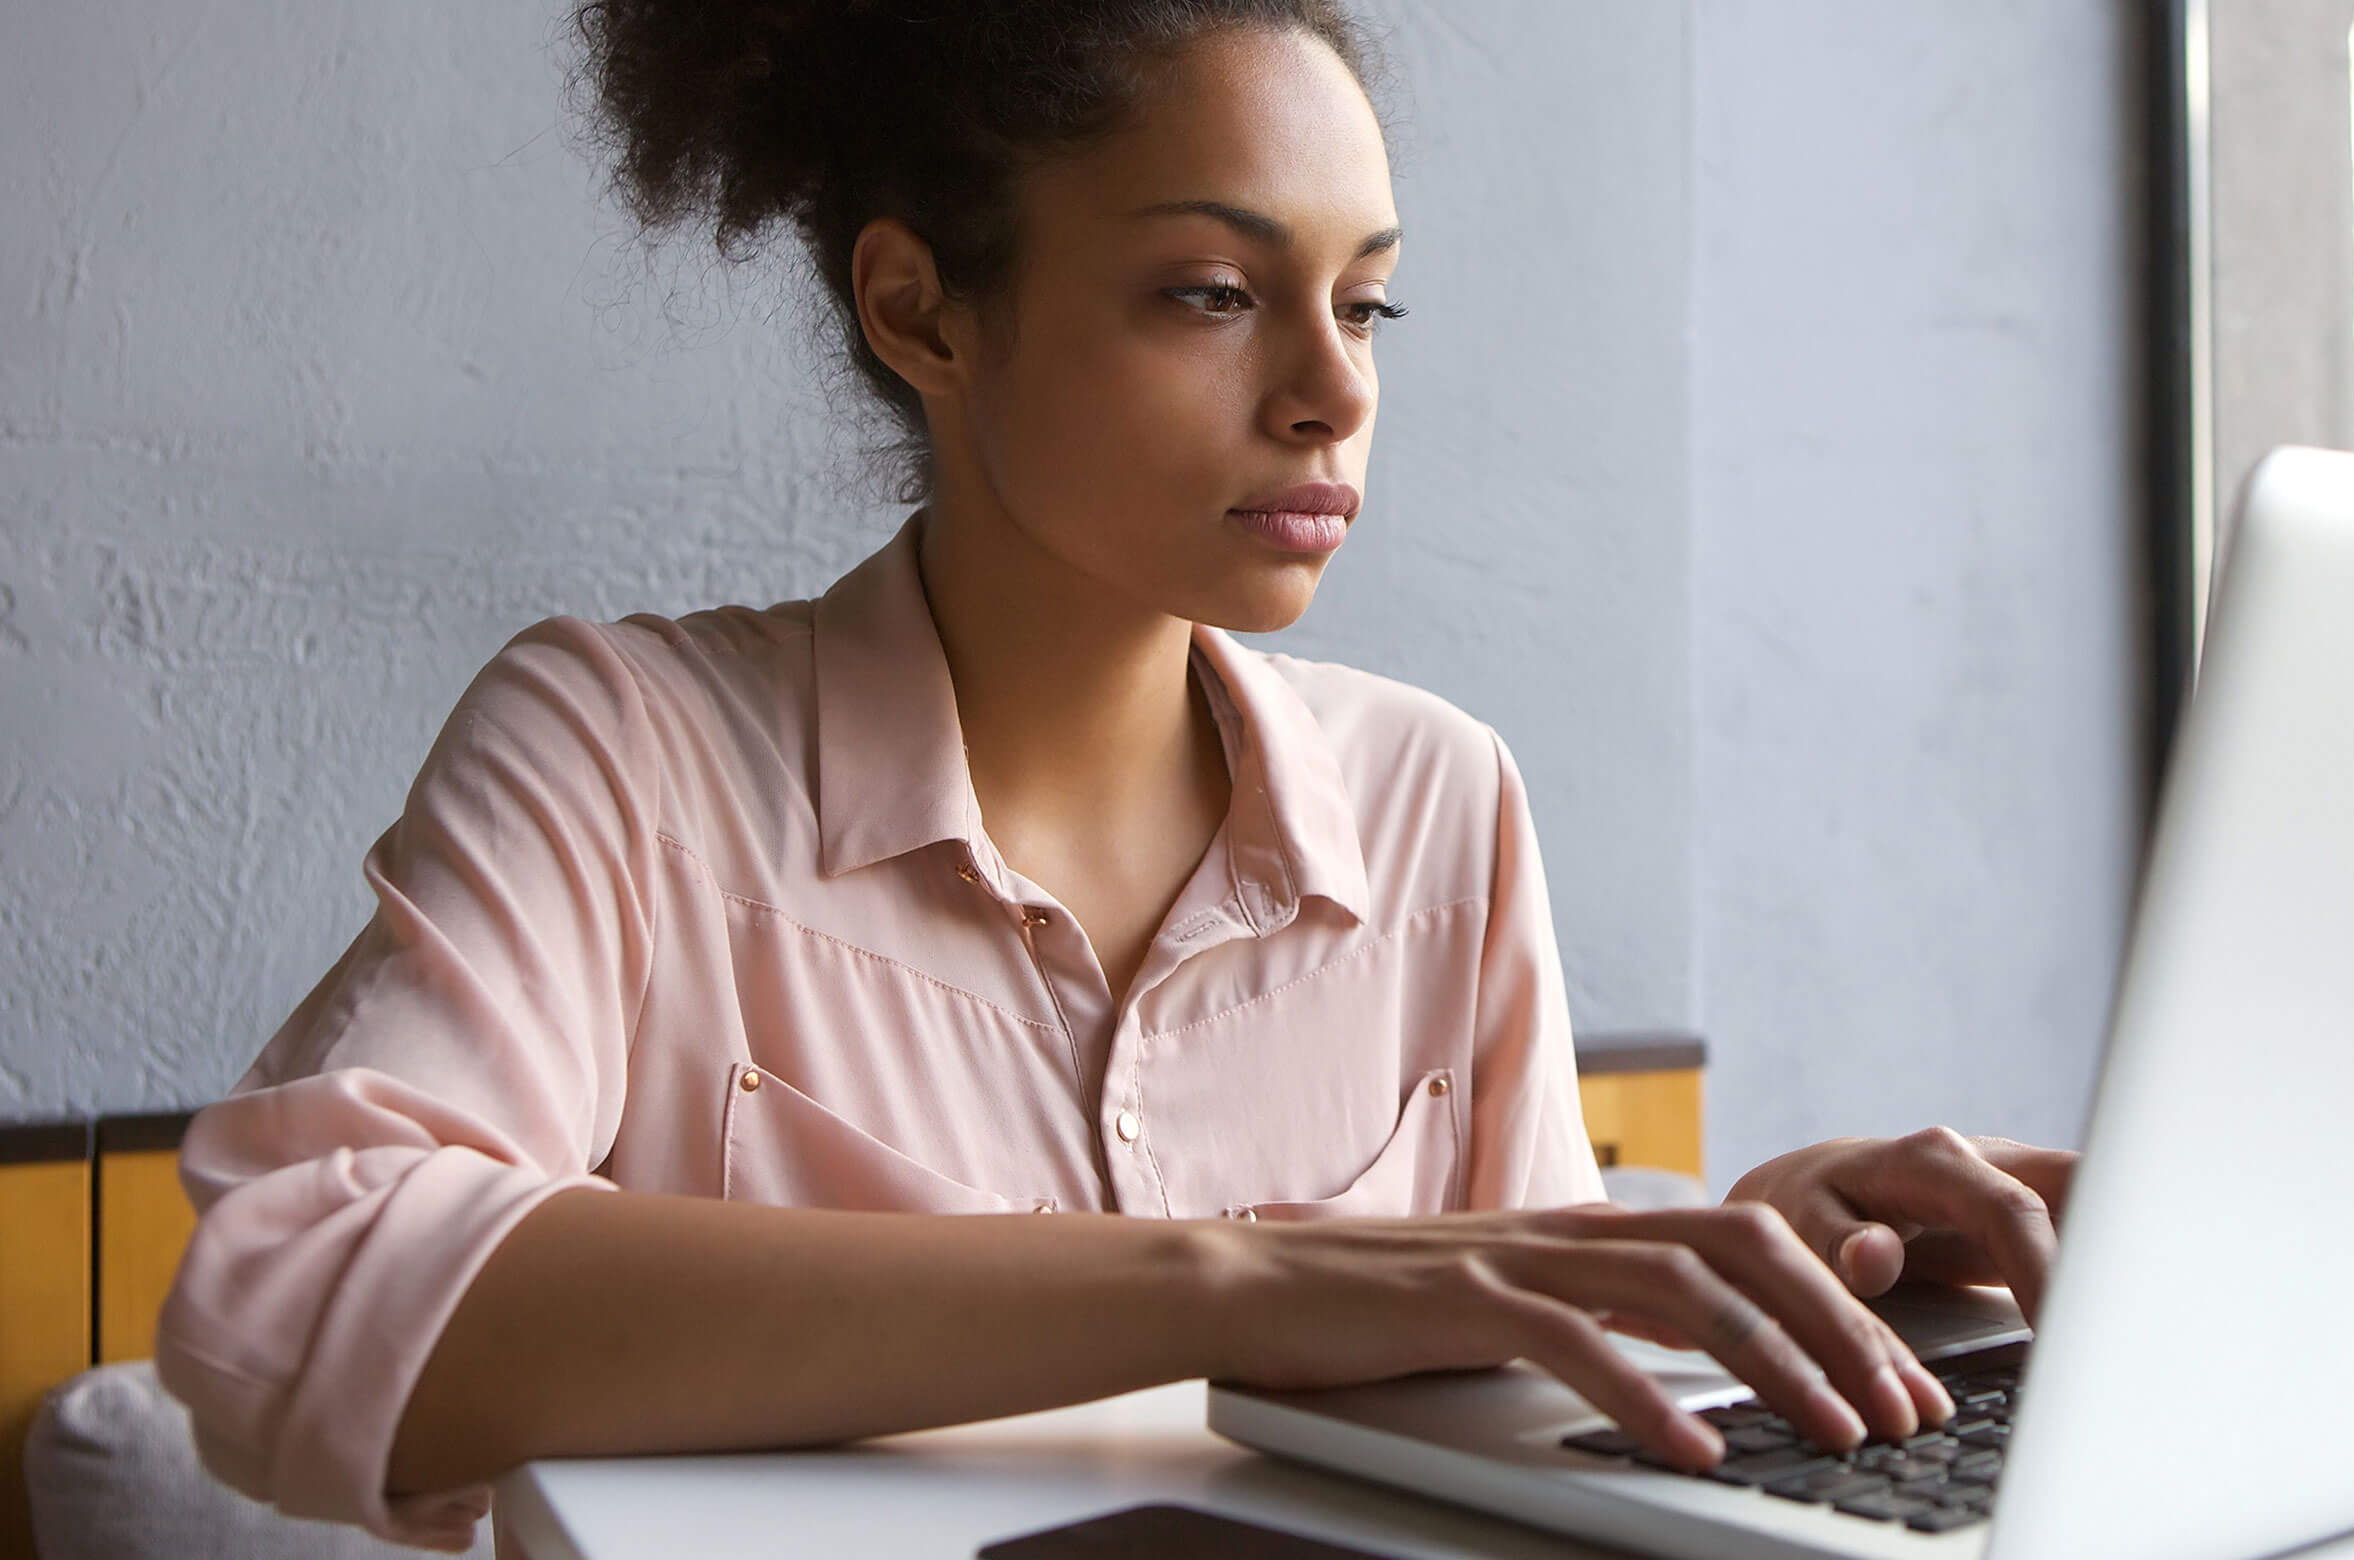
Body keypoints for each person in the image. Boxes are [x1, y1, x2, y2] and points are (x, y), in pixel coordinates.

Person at [153, 2, 2076, 1550]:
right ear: (920, 310)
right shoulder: (629, 756)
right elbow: (292, 1304)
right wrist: (1227, 1284)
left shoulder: (1438, 803)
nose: (1333, 386)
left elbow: (1528, 1404)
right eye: (1213, 294)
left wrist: (1777, 1260)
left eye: (1369, 298)